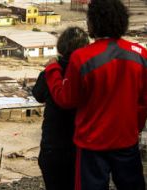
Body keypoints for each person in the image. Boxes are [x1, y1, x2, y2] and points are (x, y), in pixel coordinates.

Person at [45, 0, 147, 189]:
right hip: (126, 141)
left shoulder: (82, 58)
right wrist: (135, 128)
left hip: (92, 144)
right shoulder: (141, 54)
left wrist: (52, 70)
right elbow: (143, 102)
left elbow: (66, 99)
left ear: (93, 23)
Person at [32, 27, 89, 190]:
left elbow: (38, 94)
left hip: (53, 146)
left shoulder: (50, 72)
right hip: (81, 147)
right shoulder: (89, 71)